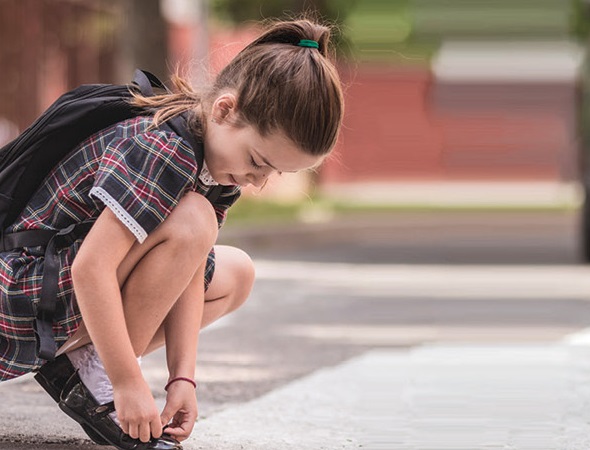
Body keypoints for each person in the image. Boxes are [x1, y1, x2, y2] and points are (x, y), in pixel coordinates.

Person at [0, 18, 343, 450]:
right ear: (224, 109)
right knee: (194, 218)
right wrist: (127, 383)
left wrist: (183, 380)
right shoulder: (166, 148)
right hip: (15, 300)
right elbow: (91, 268)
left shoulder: (215, 163)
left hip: (48, 299)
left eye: (274, 172)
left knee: (236, 274)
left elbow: (187, 269)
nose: (258, 180)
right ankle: (97, 377)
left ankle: (85, 363)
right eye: (258, 161)